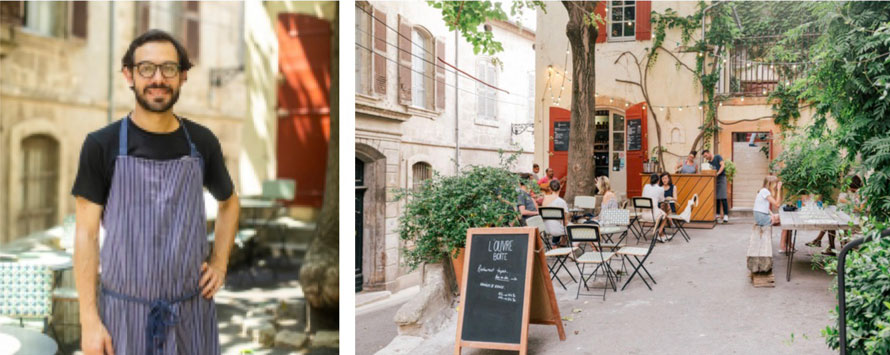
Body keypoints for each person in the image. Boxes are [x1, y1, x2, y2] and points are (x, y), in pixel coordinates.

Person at [72, 30, 239, 355]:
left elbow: (229, 204)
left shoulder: (203, 143)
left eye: (169, 69)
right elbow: (86, 234)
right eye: (146, 68)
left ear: (183, 76)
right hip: (122, 318)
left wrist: (219, 263)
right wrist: (89, 321)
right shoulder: (100, 145)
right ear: (129, 75)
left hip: (192, 315)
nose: (158, 78)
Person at [806, 175, 864, 255]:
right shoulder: (849, 191)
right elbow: (841, 199)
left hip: (854, 219)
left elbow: (861, 209)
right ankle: (826, 245)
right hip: (846, 215)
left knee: (831, 221)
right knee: (831, 221)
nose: (849, 189)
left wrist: (849, 203)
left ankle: (824, 243)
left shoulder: (862, 193)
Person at [703, 149, 729, 223]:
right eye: (704, 156)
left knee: (723, 197)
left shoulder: (717, 157)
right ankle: (717, 214)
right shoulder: (709, 162)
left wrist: (717, 174)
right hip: (714, 180)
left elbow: (722, 165)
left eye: (706, 155)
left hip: (721, 178)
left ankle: (726, 215)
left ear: (709, 153)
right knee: (716, 197)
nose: (706, 157)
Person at [641, 173, 668, 241]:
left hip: (643, 215)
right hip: (654, 215)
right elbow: (662, 200)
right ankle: (660, 232)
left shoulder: (646, 186)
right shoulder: (660, 188)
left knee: (660, 212)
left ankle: (659, 232)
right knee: (665, 216)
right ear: (658, 180)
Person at [542, 180, 570, 246]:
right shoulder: (561, 202)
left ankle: (557, 244)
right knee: (571, 227)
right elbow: (565, 222)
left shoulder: (545, 200)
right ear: (560, 188)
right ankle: (563, 245)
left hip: (546, 228)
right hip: (557, 229)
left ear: (550, 189)